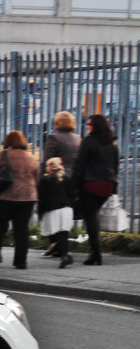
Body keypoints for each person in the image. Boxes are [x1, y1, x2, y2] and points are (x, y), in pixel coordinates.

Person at [0, 130, 39, 269]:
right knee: (22, 229)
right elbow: (37, 176)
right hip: (27, 198)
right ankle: (21, 261)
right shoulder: (31, 157)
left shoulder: (4, 155)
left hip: (5, 197)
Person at [72, 113, 120, 266]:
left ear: (95, 126)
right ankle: (94, 252)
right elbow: (115, 166)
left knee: (90, 218)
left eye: (89, 124)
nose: (87, 127)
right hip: (107, 185)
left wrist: (74, 186)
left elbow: (80, 165)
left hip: (91, 183)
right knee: (93, 216)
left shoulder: (88, 141)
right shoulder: (111, 144)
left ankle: (96, 253)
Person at [40, 111, 81, 257]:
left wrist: (42, 178)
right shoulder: (78, 138)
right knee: (64, 213)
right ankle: (60, 246)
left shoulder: (53, 137)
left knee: (50, 210)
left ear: (57, 123)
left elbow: (48, 160)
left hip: (57, 180)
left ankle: (55, 243)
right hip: (73, 181)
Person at [37, 157, 75, 269]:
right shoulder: (66, 179)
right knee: (63, 234)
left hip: (52, 210)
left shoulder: (44, 180)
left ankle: (63, 254)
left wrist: (40, 214)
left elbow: (41, 198)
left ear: (49, 167)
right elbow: (72, 195)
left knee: (56, 234)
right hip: (67, 210)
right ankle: (64, 255)